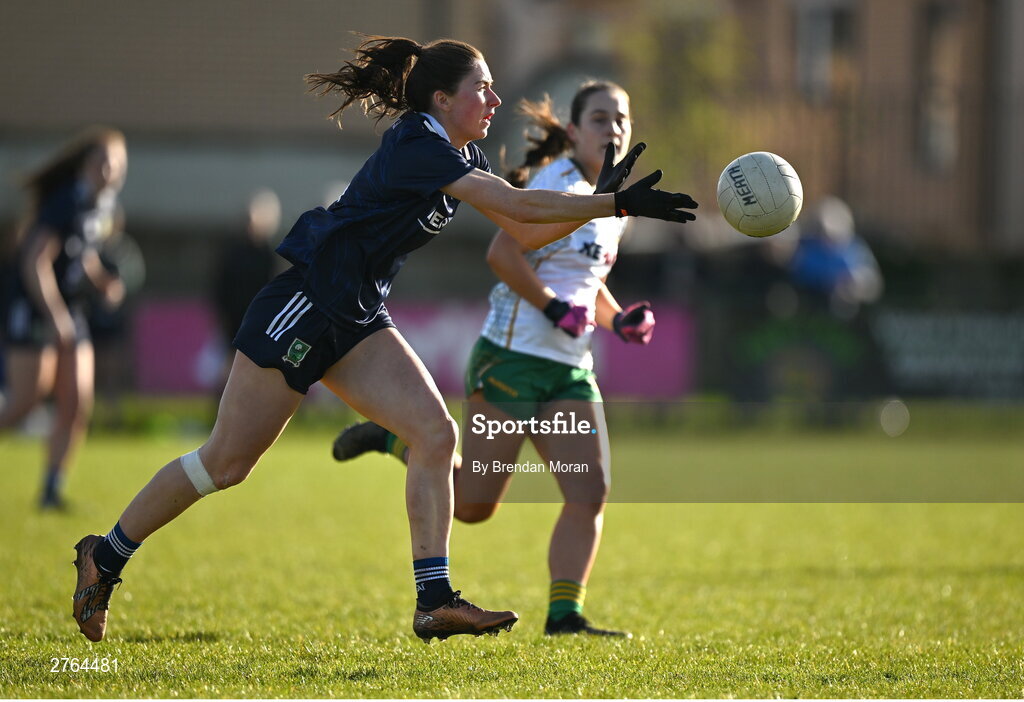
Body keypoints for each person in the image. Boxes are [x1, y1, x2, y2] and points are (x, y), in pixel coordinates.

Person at [70, 35, 697, 644]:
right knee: (225, 464)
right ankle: (107, 552)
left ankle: (434, 601)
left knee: (435, 433)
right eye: (483, 88)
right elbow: (519, 209)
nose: (496, 100)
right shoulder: (418, 144)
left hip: (360, 317)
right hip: (306, 306)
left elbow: (522, 229)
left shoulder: (461, 154)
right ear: (443, 101)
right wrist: (611, 203)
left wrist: (603, 205)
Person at [333, 82, 661, 636]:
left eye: (621, 119)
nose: (614, 129)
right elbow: (503, 253)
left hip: (569, 368)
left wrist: (618, 319)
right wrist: (552, 307)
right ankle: (394, 439)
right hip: (510, 359)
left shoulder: (614, 202)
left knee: (590, 491)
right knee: (476, 505)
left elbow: (586, 284)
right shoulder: (558, 182)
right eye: (600, 119)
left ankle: (565, 615)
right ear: (574, 131)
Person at [0, 127, 127, 510]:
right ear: (87, 164)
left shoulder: (101, 206)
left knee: (76, 403)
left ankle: (51, 491)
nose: (113, 169)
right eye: (105, 161)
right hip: (36, 306)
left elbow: (81, 252)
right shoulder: (66, 200)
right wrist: (54, 316)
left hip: (70, 309)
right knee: (25, 401)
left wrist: (101, 281)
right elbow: (34, 260)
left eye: (120, 163)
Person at [211, 188, 281, 392]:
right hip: (236, 317)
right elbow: (221, 285)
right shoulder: (233, 252)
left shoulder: (268, 254)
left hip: (258, 318)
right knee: (230, 362)